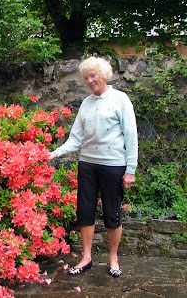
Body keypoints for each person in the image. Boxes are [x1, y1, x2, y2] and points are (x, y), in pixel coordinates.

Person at [49, 56, 138, 277]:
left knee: (112, 212)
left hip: (113, 166)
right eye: (86, 77)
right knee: (85, 211)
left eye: (93, 75)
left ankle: (113, 259)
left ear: (103, 74)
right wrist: (54, 153)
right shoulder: (86, 104)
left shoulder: (120, 99)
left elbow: (131, 137)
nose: (90, 81)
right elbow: (75, 139)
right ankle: (86, 258)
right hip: (87, 164)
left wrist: (130, 169)